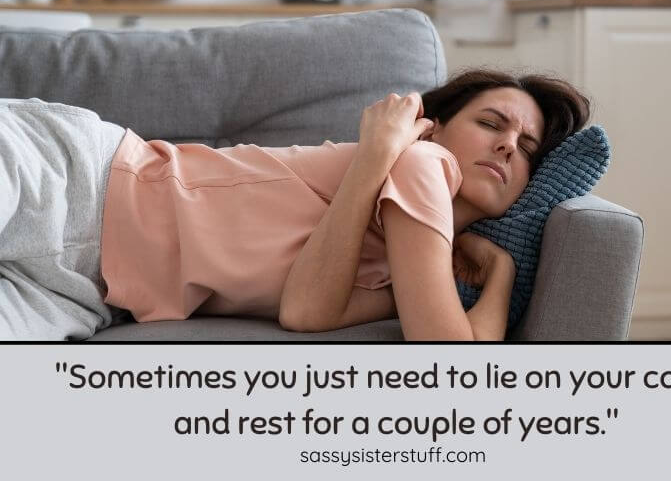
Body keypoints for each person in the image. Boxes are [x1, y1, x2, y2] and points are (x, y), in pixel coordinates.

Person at [0, 68, 589, 341]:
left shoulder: (397, 274)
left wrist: (502, 273)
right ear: (431, 129)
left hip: (88, 292)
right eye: (491, 123)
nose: (509, 145)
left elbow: (306, 312)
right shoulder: (424, 163)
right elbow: (450, 350)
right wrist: (378, 155)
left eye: (528, 148)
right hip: (79, 178)